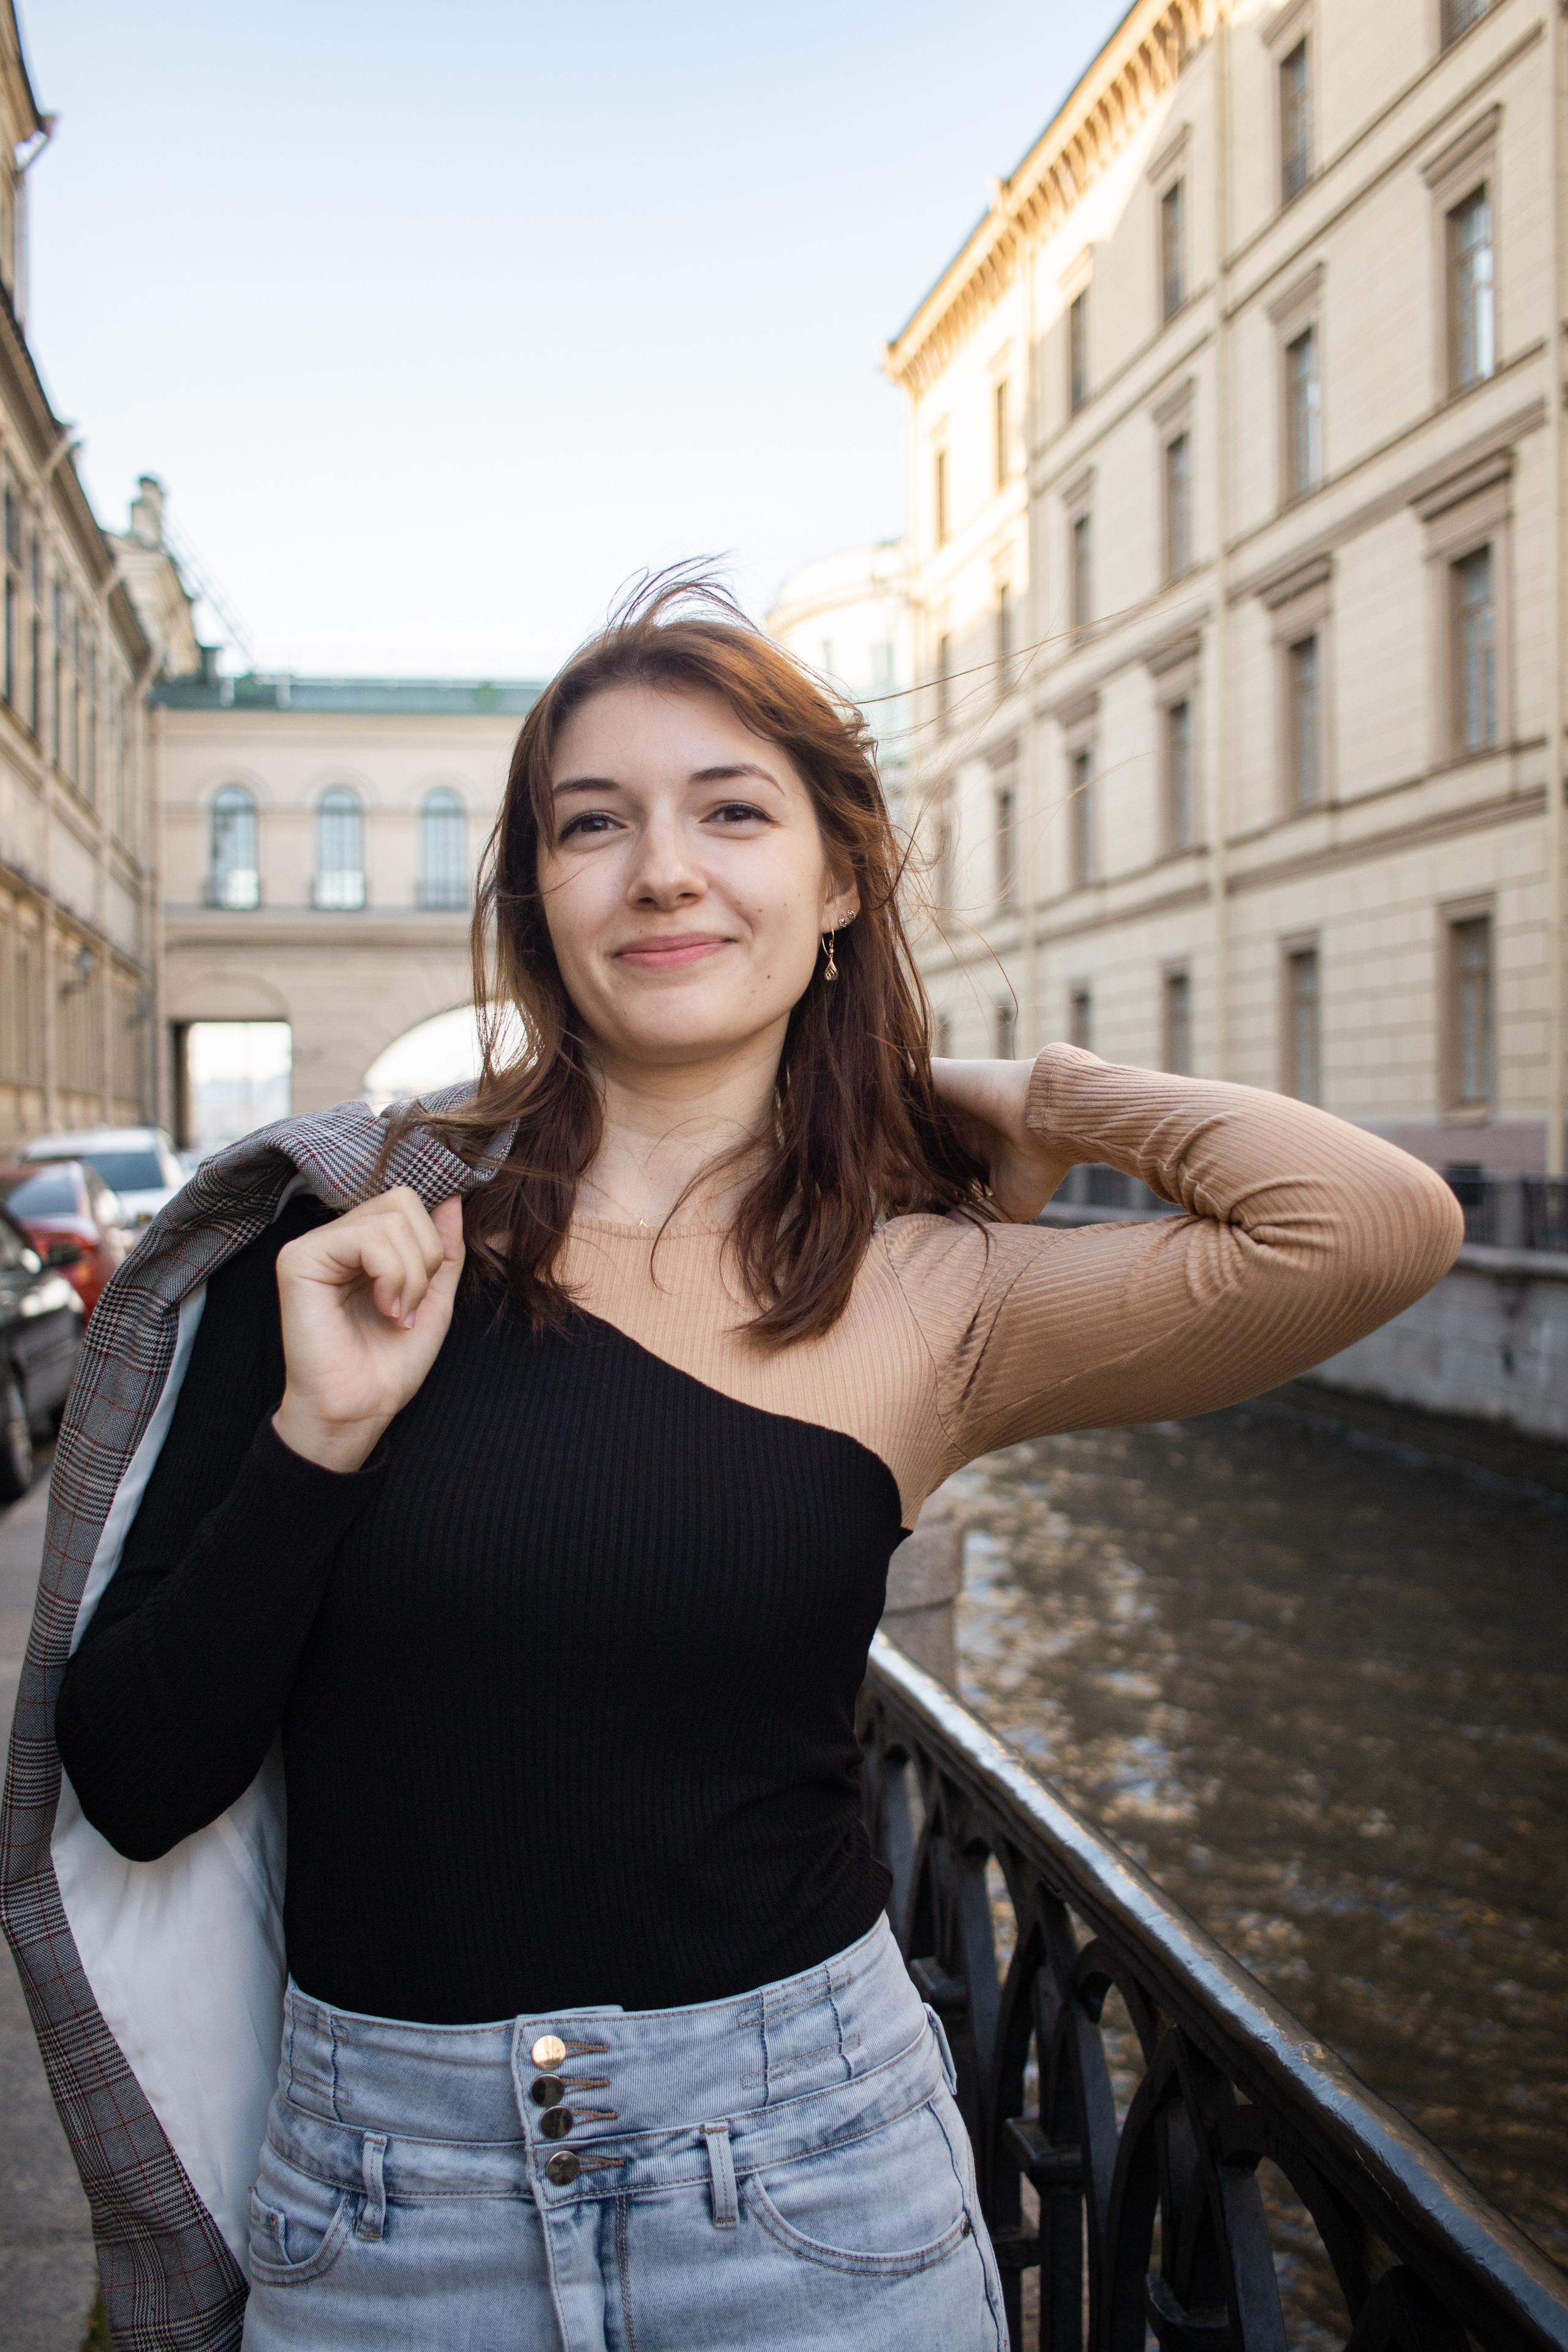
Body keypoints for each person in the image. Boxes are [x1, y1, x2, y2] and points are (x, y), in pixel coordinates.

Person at [52, 581, 1462, 2351]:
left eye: (733, 810)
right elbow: (128, 1774)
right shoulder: (354, 1241)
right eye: (594, 825)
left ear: (841, 877)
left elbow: (1372, 1226)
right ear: (537, 901)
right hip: (385, 2206)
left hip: (809, 2196)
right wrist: (320, 1438)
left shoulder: (929, 1292)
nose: (661, 869)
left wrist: (1018, 1089)